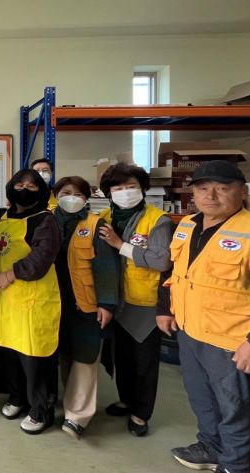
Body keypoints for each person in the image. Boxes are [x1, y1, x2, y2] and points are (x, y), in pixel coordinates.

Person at [157, 161, 250, 473]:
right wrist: (164, 309)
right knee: (203, 402)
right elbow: (174, 271)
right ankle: (211, 449)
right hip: (190, 332)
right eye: (202, 188)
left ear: (242, 192)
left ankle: (239, 466)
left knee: (234, 413)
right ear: (193, 194)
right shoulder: (187, 225)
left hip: (233, 342)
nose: (211, 196)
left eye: (222, 188)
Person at [97, 162, 173, 437]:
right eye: (118, 187)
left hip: (144, 302)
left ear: (142, 189)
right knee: (122, 358)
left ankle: (141, 413)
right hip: (115, 301)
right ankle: (126, 399)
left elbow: (160, 259)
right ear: (108, 192)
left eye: (131, 187)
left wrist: (121, 245)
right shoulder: (104, 216)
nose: (125, 191)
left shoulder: (157, 219)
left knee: (144, 362)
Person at [0, 168, 61, 435]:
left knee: (33, 357)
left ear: (41, 191)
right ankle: (16, 398)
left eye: (32, 186)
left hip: (33, 299)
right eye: (20, 184)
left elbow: (41, 259)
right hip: (5, 299)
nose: (25, 188)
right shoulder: (0, 217)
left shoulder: (45, 220)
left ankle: (40, 410)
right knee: (8, 352)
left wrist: (10, 274)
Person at [52, 176, 119, 440]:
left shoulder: (95, 225)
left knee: (84, 358)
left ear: (86, 198)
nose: (71, 197)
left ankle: (77, 416)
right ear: (56, 196)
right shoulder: (47, 221)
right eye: (65, 192)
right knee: (61, 354)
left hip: (85, 304)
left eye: (78, 194)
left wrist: (106, 303)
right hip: (53, 303)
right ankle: (65, 402)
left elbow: (105, 267)